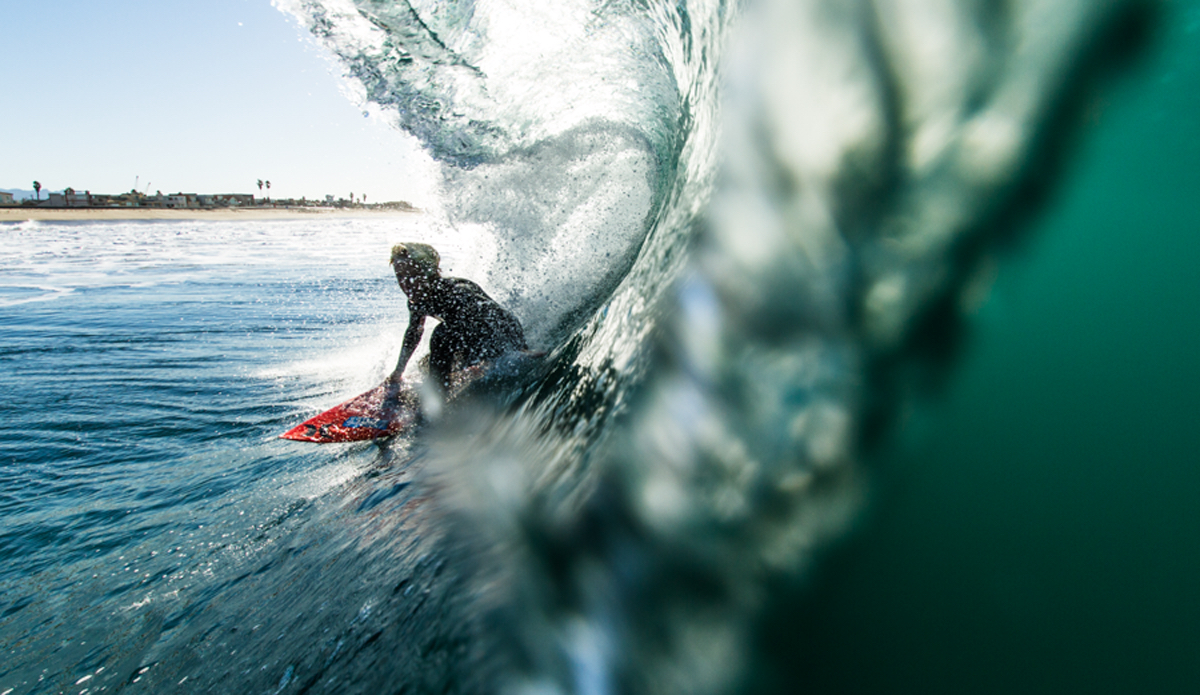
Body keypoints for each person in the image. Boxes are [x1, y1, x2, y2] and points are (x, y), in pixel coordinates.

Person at [386, 242, 528, 392]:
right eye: (400, 276)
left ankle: (439, 394)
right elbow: (414, 333)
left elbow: (501, 317)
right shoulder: (417, 300)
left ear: (428, 272)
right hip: (473, 341)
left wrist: (517, 349)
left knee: (441, 334)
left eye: (413, 275)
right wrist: (398, 371)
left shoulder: (455, 291)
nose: (406, 283)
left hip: (499, 339)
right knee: (424, 365)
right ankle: (453, 378)